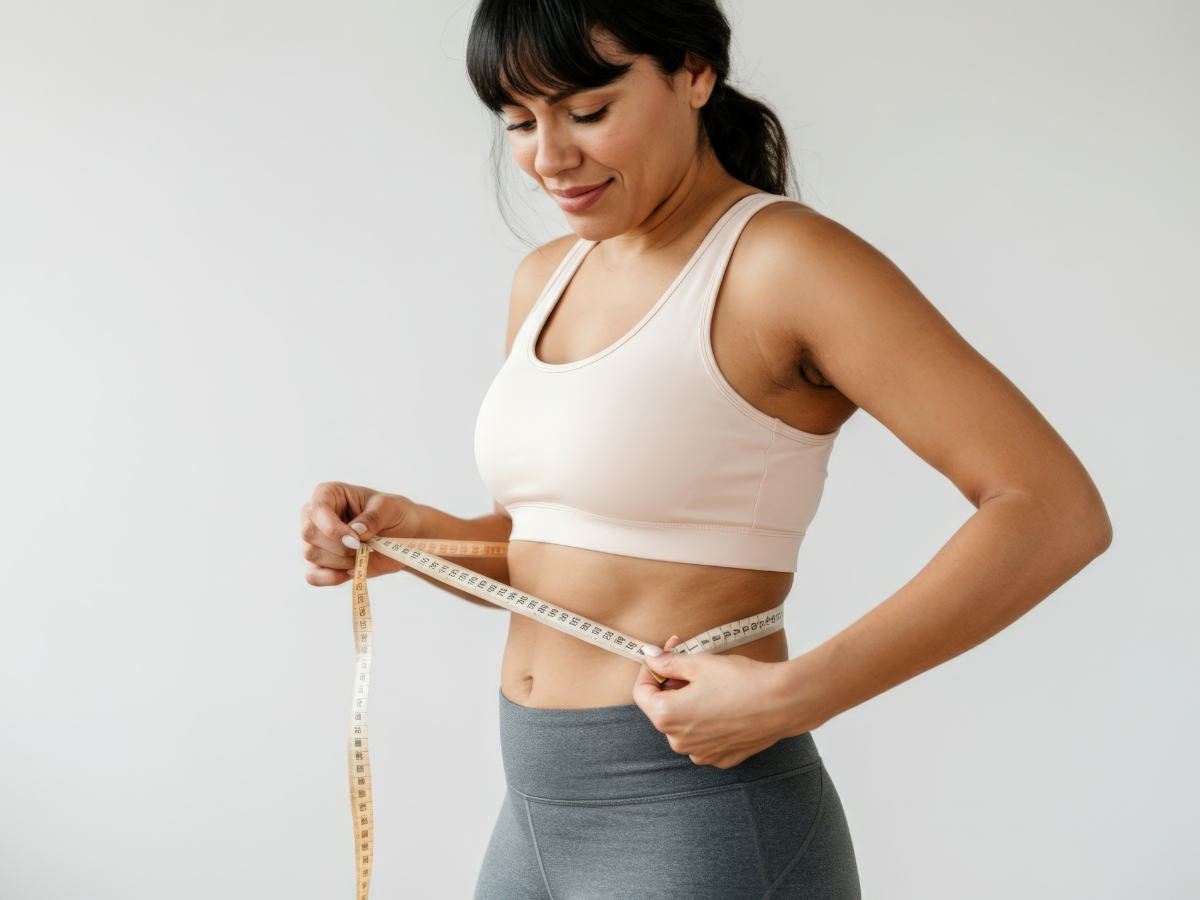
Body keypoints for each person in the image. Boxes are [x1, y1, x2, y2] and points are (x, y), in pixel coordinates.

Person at [299, 1, 1112, 897]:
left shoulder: (787, 265)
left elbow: (1052, 510)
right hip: (530, 813)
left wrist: (795, 694)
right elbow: (580, 551)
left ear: (693, 72)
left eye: (588, 110)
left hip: (698, 818)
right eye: (520, 121)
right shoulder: (547, 276)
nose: (549, 158)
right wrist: (420, 535)